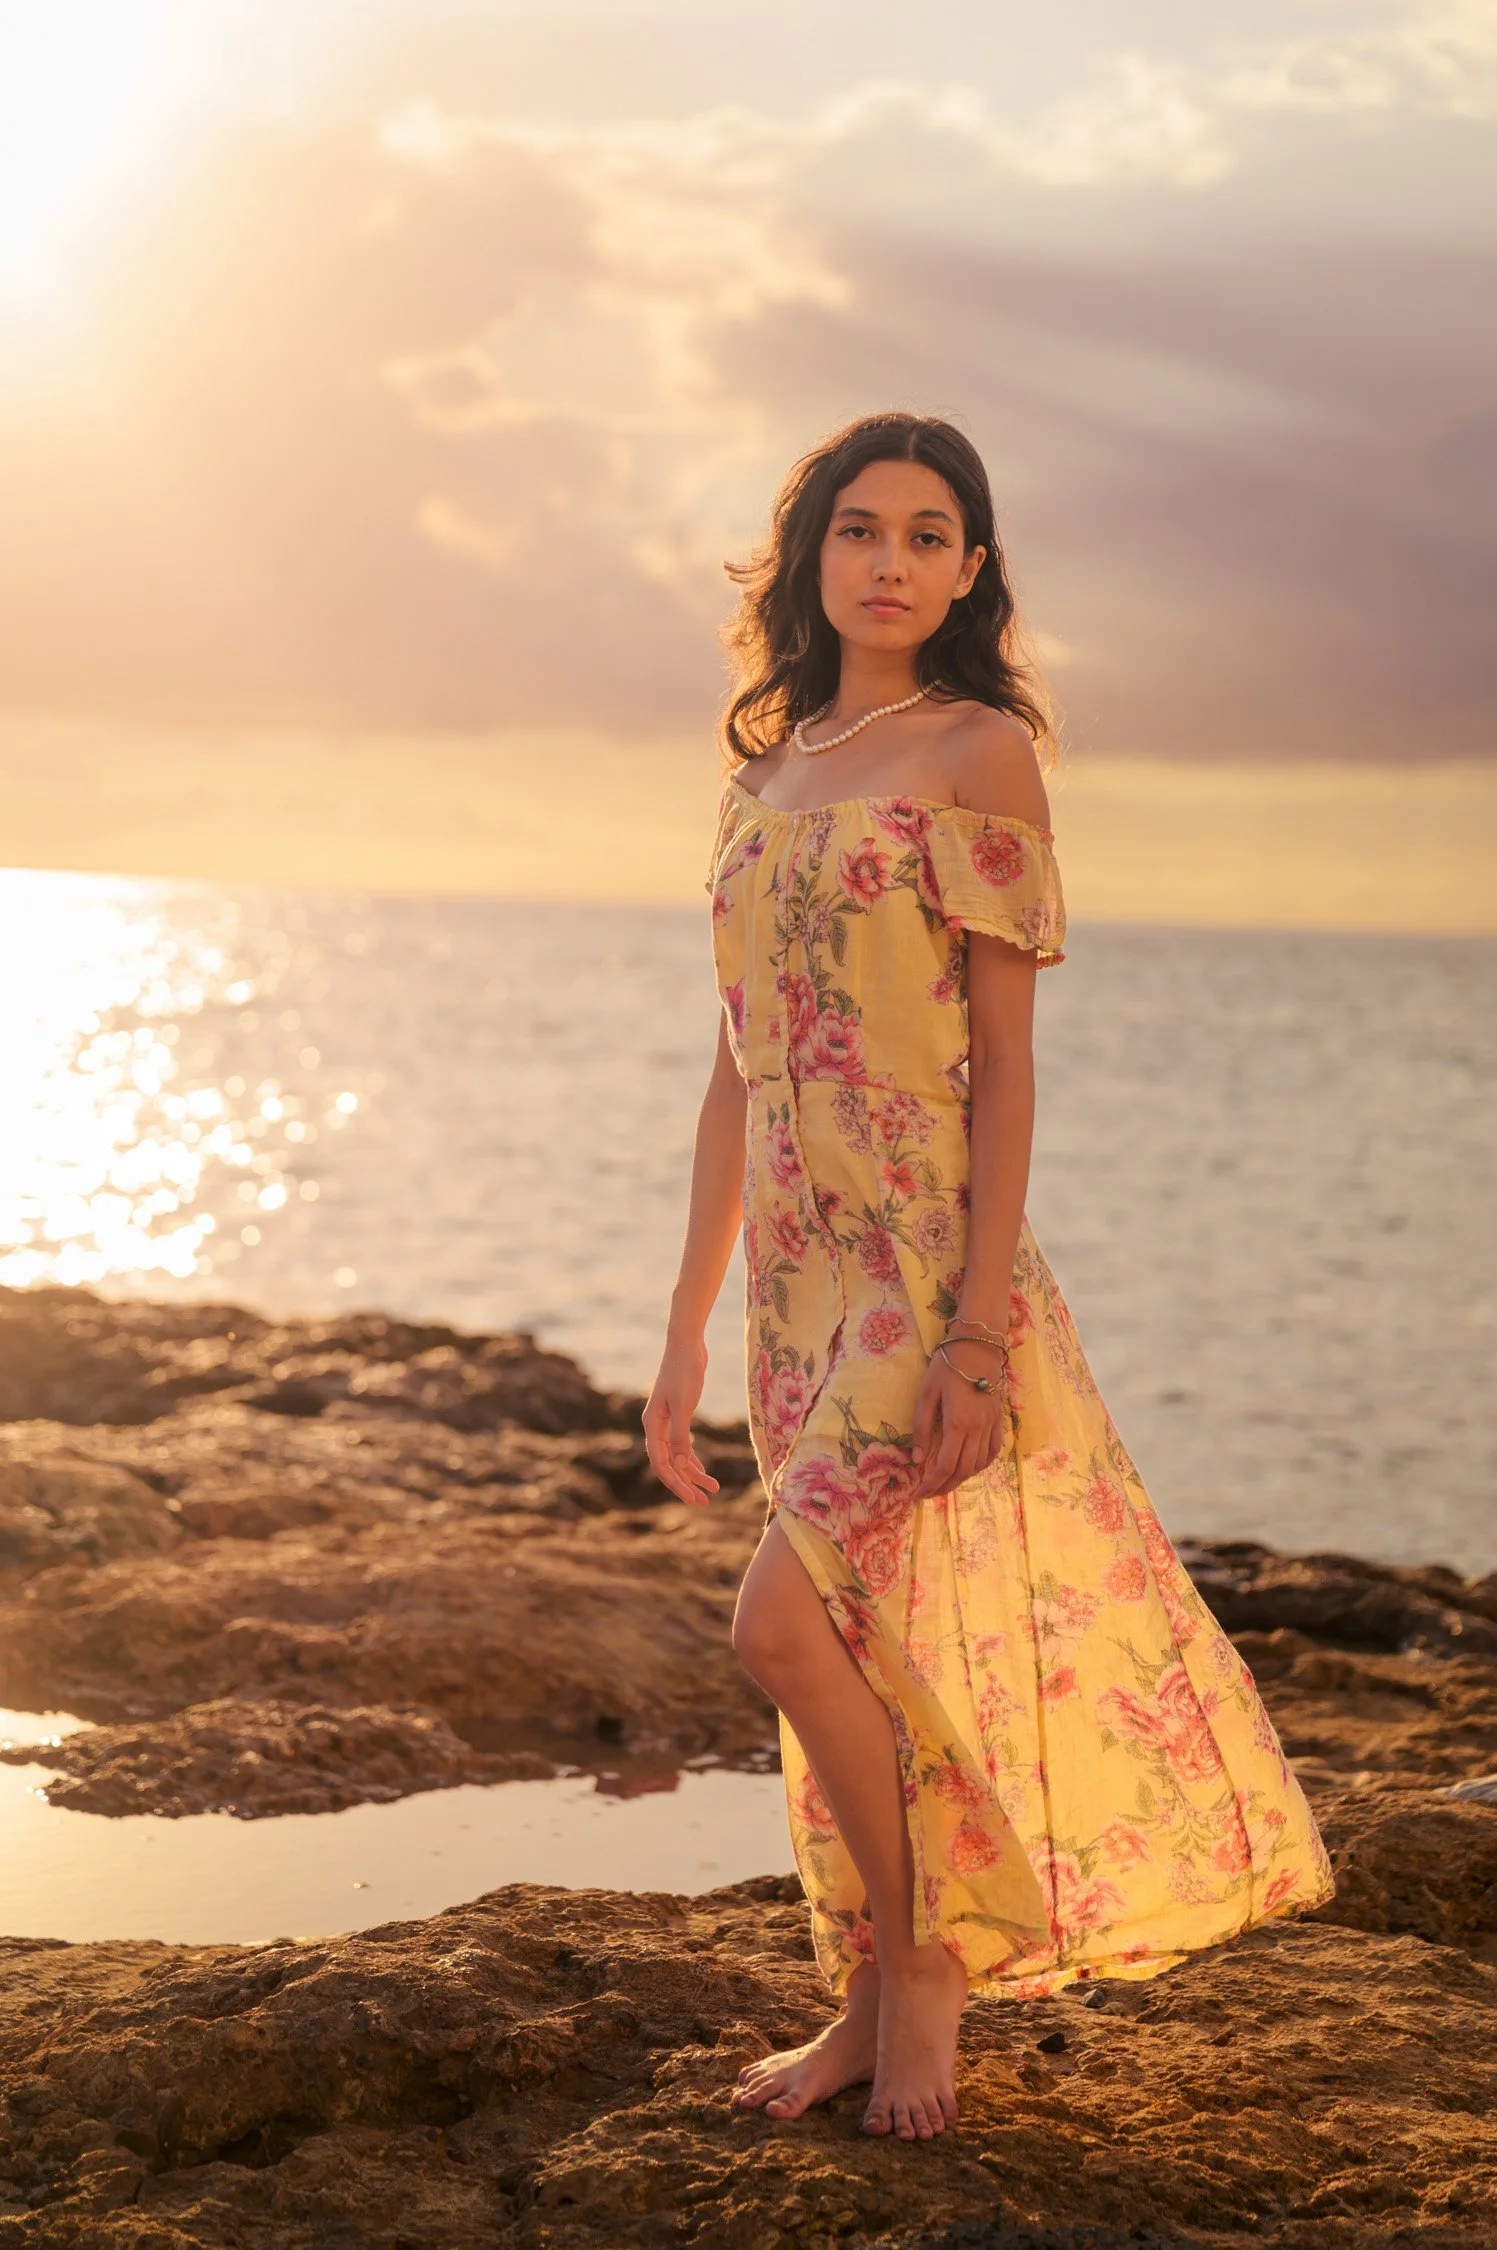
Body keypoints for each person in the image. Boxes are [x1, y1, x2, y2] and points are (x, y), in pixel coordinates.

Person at [643, 411, 1332, 2146]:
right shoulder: (766, 769)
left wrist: (976, 1334)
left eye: (929, 532)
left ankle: (921, 1968)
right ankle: (873, 1988)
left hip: (921, 1251)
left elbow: (1006, 1067)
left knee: (780, 1621)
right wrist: (679, 1336)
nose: (890, 558)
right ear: (811, 557)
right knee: (857, 1636)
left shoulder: (977, 756)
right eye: (859, 527)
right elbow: (737, 1072)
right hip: (796, 1278)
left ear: (972, 567)